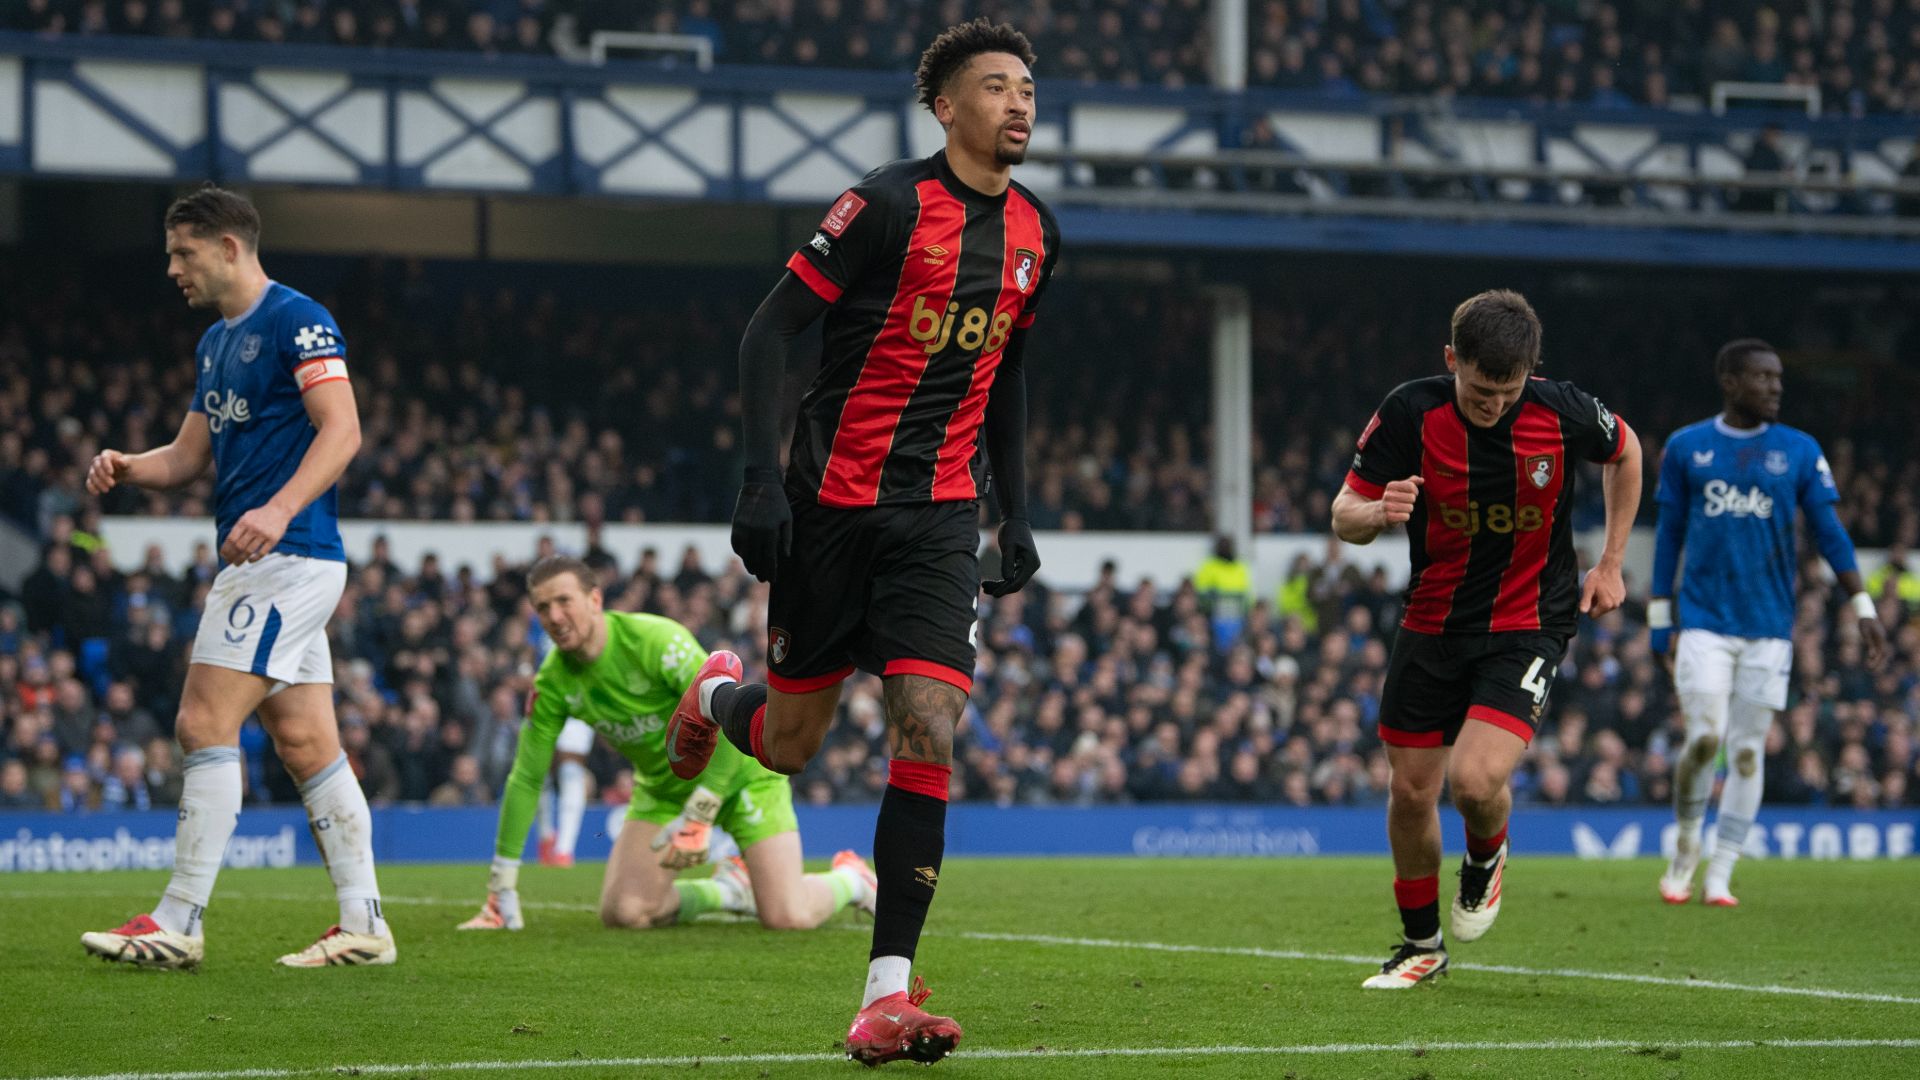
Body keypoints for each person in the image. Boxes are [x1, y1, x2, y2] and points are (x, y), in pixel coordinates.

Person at [663, 18, 1058, 1066]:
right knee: (792, 745)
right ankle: (713, 696)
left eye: (1028, 87)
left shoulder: (1036, 234)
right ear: (946, 107)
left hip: (938, 520)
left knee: (928, 721)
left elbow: (1008, 371)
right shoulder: (883, 204)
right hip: (830, 506)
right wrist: (759, 480)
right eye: (997, 87)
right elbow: (767, 333)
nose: (1020, 102)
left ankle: (886, 992)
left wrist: (1015, 512)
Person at [79, 185, 393, 970]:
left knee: (201, 723)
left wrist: (281, 508)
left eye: (183, 253)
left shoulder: (299, 318)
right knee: (305, 740)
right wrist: (127, 465)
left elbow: (343, 428)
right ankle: (365, 923)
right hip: (270, 559)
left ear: (228, 247)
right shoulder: (215, 343)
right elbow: (188, 459)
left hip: (285, 558)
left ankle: (179, 919)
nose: (173, 270)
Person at [1331, 289, 1641, 989]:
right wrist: (1379, 510)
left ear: (1529, 375)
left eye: (1506, 390)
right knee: (1411, 793)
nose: (1492, 403)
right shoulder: (1412, 409)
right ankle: (1421, 947)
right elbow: (1342, 514)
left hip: (1529, 622)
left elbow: (1627, 452)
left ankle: (1486, 854)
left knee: (1474, 782)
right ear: (1452, 361)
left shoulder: (1560, 410)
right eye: (1479, 387)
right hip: (1432, 622)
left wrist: (1612, 561)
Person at [457, 556, 876, 935]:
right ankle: (729, 892)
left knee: (788, 916)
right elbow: (527, 777)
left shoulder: (654, 641)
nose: (555, 616)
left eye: (564, 601)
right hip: (663, 791)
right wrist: (502, 883)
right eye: (543, 608)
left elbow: (727, 714)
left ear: (595, 598)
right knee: (625, 912)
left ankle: (853, 880)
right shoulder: (552, 682)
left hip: (741, 778)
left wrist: (703, 807)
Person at [1650, 338, 1888, 907]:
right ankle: (1686, 845)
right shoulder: (1688, 447)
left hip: (1770, 626)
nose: (1776, 387)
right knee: (1707, 738)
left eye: (1778, 378)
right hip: (1705, 619)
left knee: (1750, 750)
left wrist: (1863, 606)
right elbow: (1668, 537)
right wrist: (1662, 619)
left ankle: (1721, 872)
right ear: (1730, 382)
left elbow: (1830, 533)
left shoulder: (1800, 451)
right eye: (1763, 378)